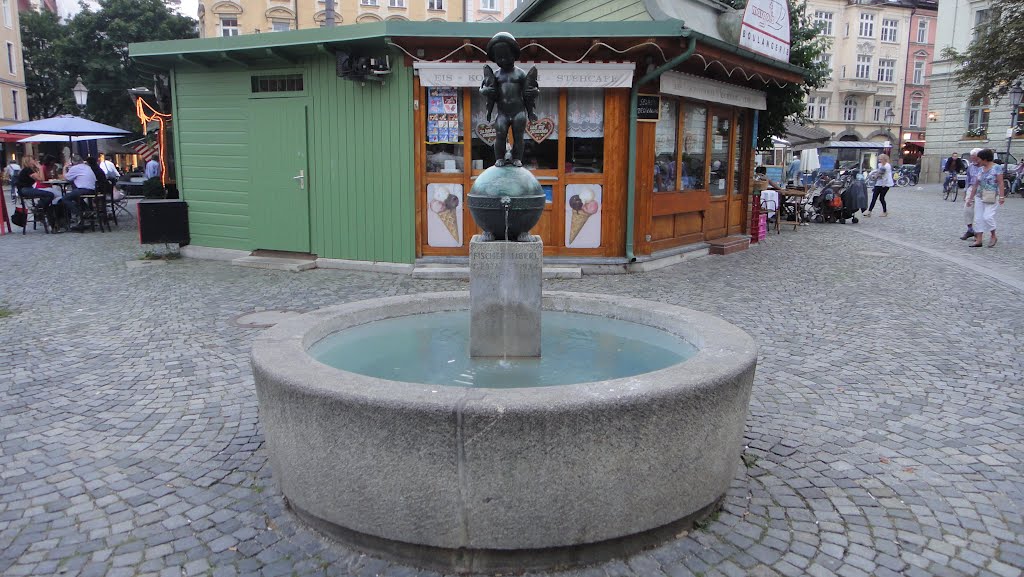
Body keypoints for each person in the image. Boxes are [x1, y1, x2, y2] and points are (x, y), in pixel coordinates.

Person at [965, 148, 1005, 248]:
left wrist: (1001, 196)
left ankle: (993, 235)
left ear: (985, 159)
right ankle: (979, 240)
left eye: (979, 159)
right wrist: (970, 198)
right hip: (980, 195)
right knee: (978, 218)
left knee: (988, 217)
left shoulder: (997, 168)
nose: (978, 161)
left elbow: (1000, 182)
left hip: (992, 196)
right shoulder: (980, 169)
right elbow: (975, 184)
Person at [61, 155, 98, 230]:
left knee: (65, 198)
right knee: (75, 197)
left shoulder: (75, 168)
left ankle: (79, 214)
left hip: (83, 189)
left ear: (73, 162)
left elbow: (66, 178)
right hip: (93, 189)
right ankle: (87, 211)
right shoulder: (87, 166)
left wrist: (65, 168)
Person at [960, 149, 983, 240]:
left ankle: (978, 232)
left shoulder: (985, 166)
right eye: (972, 158)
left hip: (982, 190)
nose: (973, 160)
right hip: (971, 188)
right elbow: (968, 179)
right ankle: (970, 229)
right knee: (967, 209)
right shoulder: (971, 166)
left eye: (975, 158)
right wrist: (965, 191)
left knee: (979, 212)